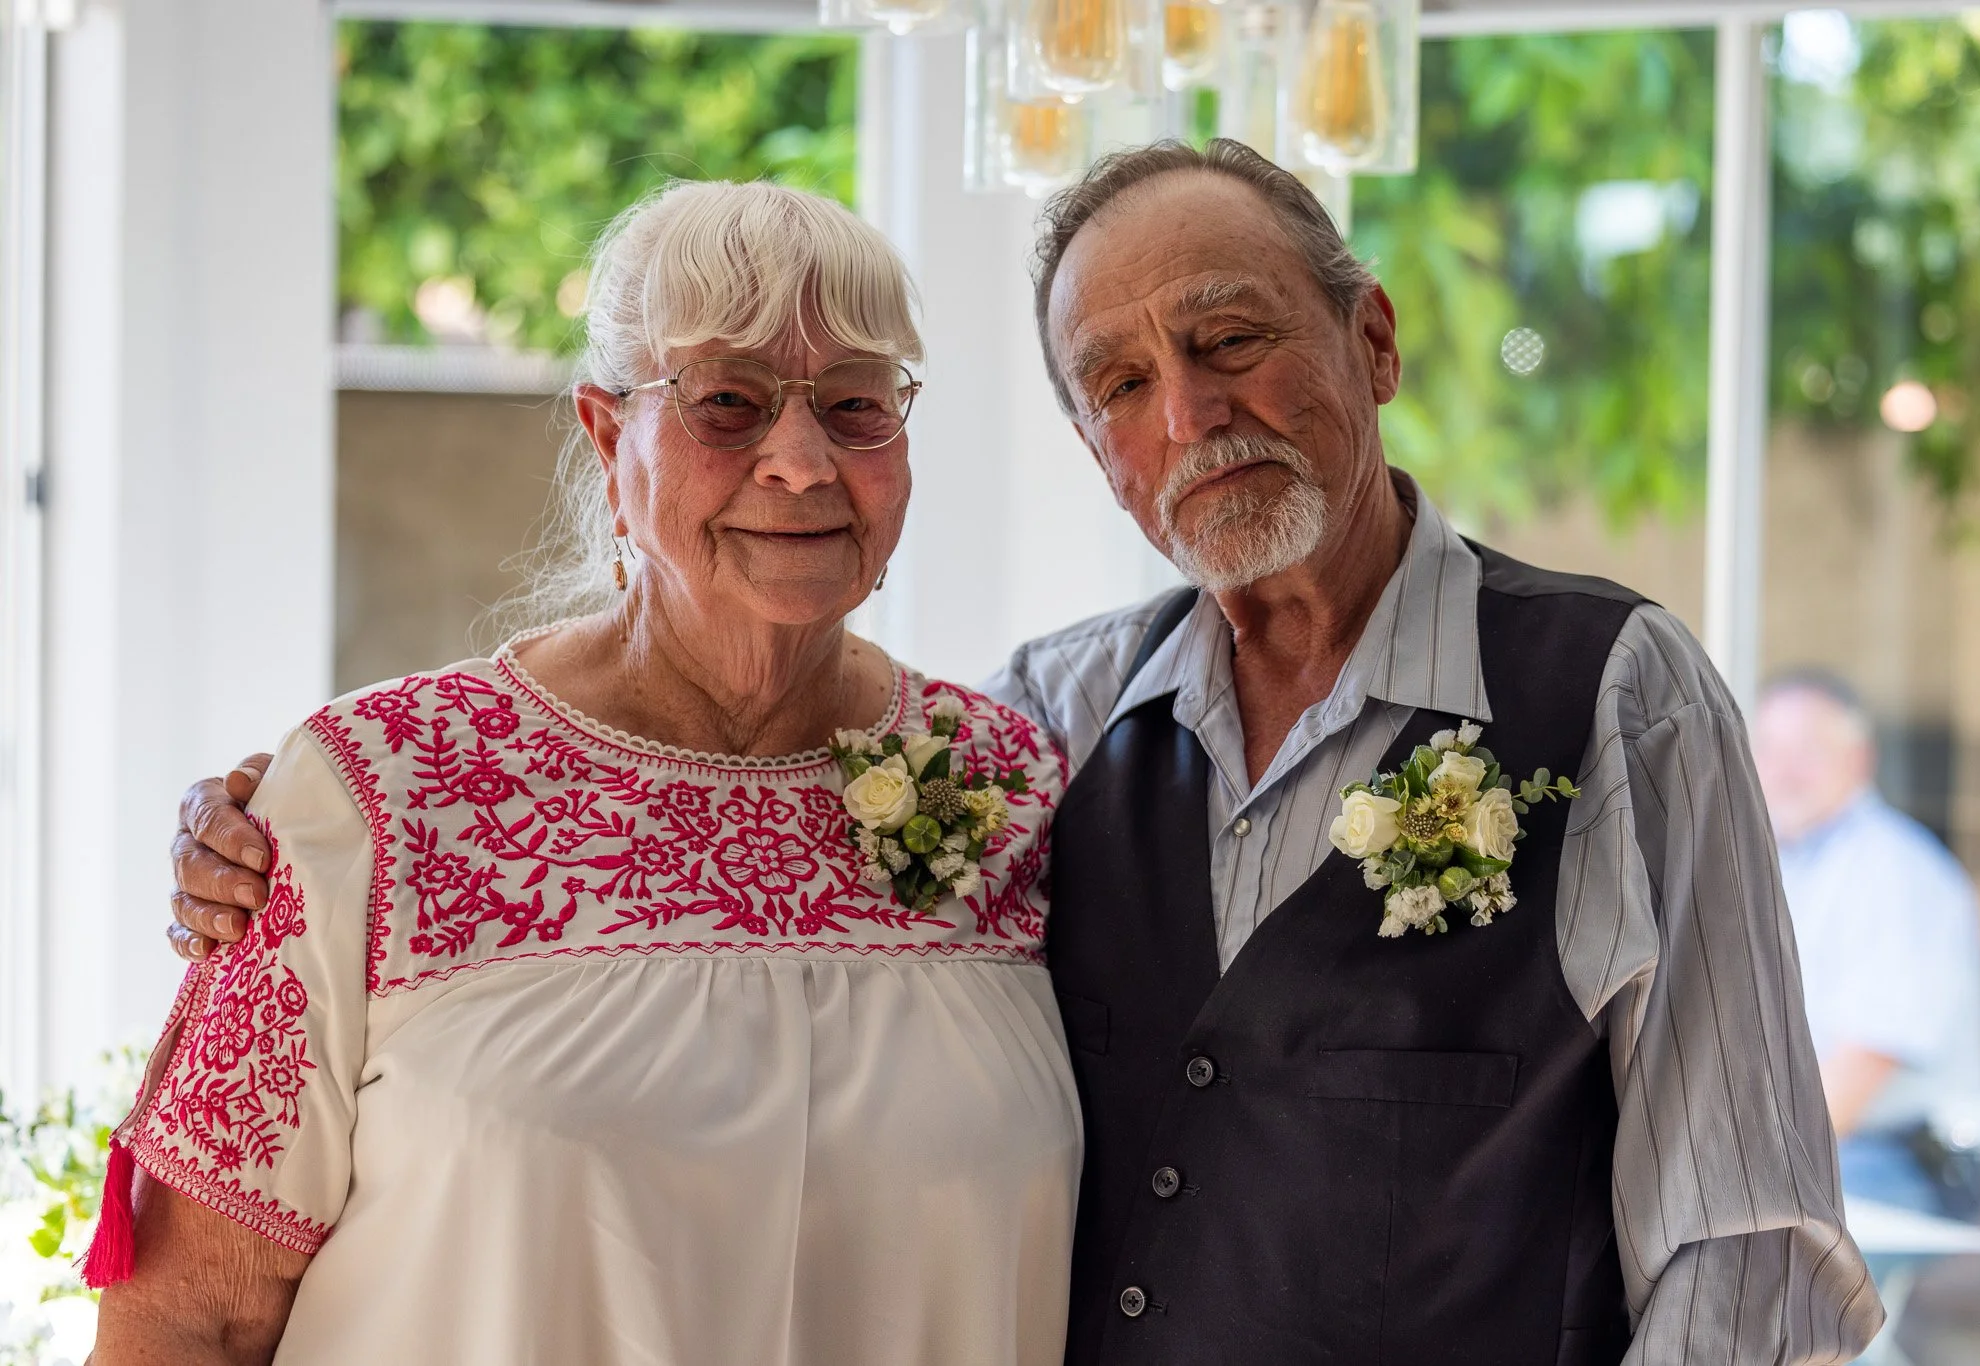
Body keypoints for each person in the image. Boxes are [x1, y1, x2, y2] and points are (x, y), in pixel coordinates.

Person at [165, 141, 1880, 1364]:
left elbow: (1744, 1249)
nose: (1186, 416)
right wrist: (266, 828)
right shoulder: (1032, 737)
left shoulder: (1615, 698)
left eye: (1226, 343)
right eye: (1117, 383)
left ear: (1366, 341)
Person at [88, 180, 1079, 1365]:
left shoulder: (1009, 781)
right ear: (610, 435)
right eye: (727, 402)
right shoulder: (377, 793)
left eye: (857, 403)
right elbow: (183, 1321)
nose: (804, 461)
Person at [1751, 671, 1980, 1214]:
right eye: (1769, 749)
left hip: (1895, 1161)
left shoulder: (1896, 869)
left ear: (1860, 758)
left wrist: (1755, 1168)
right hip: (1821, 1146)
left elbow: (1863, 1066)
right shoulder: (1776, 863)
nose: (1784, 770)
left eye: (1808, 750)